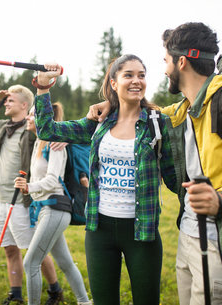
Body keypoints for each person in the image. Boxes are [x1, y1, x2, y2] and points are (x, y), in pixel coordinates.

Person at [87, 22, 222, 305]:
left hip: (221, 242)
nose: (164, 69)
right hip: (189, 235)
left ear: (181, 62)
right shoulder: (184, 110)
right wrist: (114, 106)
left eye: (166, 61)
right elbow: (143, 114)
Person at [31, 55, 177, 305]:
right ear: (113, 83)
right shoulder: (98, 121)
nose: (136, 81)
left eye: (141, 75)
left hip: (142, 231)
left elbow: (175, 178)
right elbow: (47, 130)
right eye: (128, 75)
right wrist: (43, 88)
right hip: (99, 229)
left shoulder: (158, 122)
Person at [0, 86, 64, 305]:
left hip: (22, 201)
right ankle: (15, 294)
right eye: (5, 101)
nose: (6, 104)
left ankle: (55, 290)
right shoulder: (4, 127)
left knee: (34, 251)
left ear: (25, 105)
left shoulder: (33, 129)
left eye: (10, 100)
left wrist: (62, 138)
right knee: (9, 249)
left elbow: (53, 134)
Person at [14, 103, 91, 305]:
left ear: (42, 120)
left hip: (55, 209)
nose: (28, 118)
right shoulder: (38, 142)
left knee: (30, 262)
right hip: (43, 210)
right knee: (65, 262)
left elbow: (52, 181)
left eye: (32, 115)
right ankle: (85, 302)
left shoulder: (54, 145)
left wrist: (28, 187)